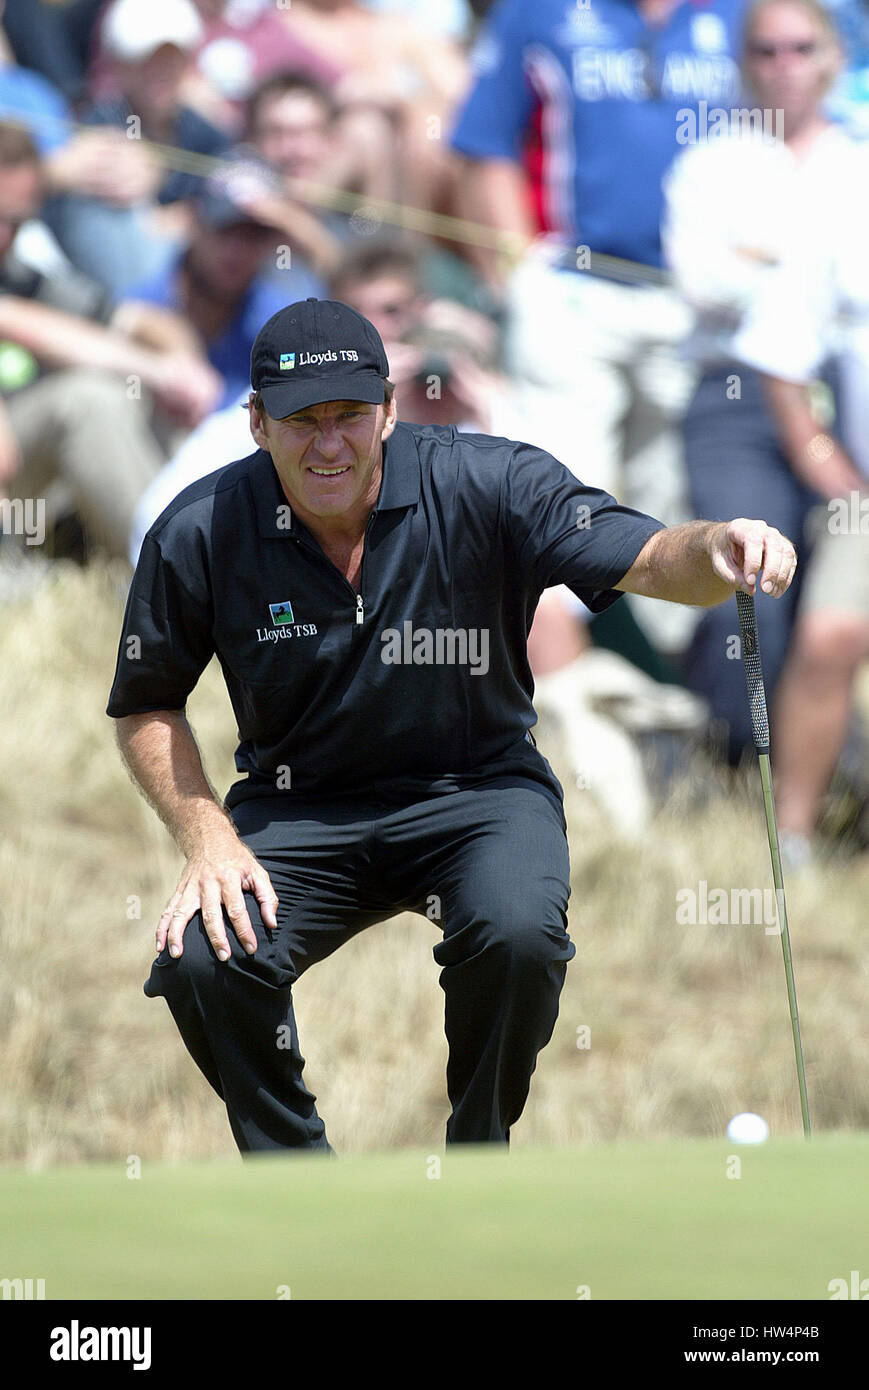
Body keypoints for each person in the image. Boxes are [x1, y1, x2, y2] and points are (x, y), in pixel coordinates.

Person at [105, 297, 796, 1156]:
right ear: (255, 424)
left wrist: (720, 546)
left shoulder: (491, 481)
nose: (329, 444)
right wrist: (207, 839)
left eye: (351, 417)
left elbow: (650, 556)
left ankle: (476, 1158)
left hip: (477, 791)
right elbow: (145, 702)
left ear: (389, 410)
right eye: (301, 421)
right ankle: (294, 1179)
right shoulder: (199, 530)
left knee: (517, 935)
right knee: (202, 961)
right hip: (299, 807)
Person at [663, 0, 866, 762]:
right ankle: (740, 767)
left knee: (832, 601)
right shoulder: (708, 162)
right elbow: (703, 283)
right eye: (765, 50)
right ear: (743, 61)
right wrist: (819, 272)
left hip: (848, 398)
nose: (783, 64)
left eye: (799, 47)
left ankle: (816, 780)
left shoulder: (857, 158)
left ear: (831, 57)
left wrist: (765, 256)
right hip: (738, 394)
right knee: (745, 572)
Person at [0, 121, 222, 559]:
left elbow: (140, 321)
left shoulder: (20, 273)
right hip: (14, 473)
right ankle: (173, 571)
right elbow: (19, 321)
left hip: (25, 477)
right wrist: (154, 370)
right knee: (87, 400)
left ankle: (225, 546)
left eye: (18, 220)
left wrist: (183, 364)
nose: (5, 235)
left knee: (145, 395)